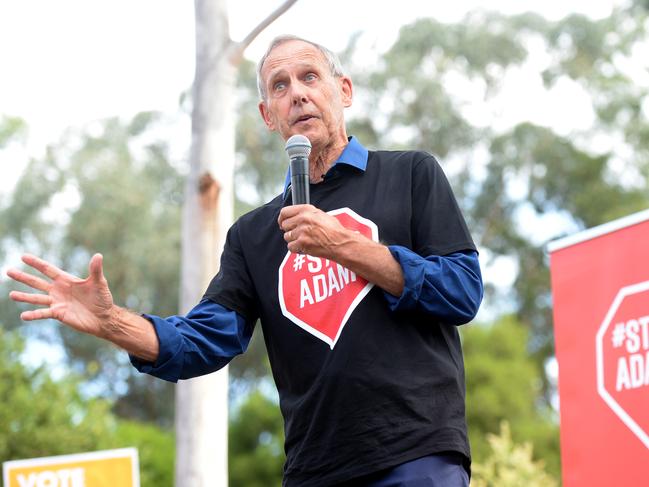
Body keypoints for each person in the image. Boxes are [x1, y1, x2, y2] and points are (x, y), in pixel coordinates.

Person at [7, 35, 483, 487]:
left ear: (344, 90)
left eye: (309, 77)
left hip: (418, 453)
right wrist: (113, 323)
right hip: (315, 469)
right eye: (280, 86)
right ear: (267, 115)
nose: (296, 94)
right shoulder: (253, 236)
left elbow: (461, 291)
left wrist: (344, 246)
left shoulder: (410, 174)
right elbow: (202, 341)